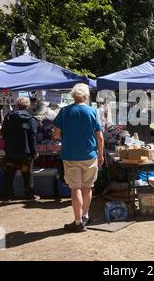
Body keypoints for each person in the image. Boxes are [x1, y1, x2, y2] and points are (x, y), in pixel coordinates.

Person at [53, 83, 104, 233]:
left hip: (70, 156)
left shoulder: (65, 111)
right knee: (87, 187)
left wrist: (68, 136)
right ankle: (85, 215)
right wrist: (100, 155)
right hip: (90, 155)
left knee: (75, 188)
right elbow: (99, 137)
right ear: (86, 96)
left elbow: (56, 134)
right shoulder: (92, 111)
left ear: (73, 96)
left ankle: (78, 222)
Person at [1, 97, 40, 202]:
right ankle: (29, 196)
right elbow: (33, 136)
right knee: (27, 175)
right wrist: (35, 151)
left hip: (10, 152)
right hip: (25, 152)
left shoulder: (9, 117)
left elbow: (3, 133)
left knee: (8, 175)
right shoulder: (31, 119)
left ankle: (7, 197)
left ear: (17, 105)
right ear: (27, 106)